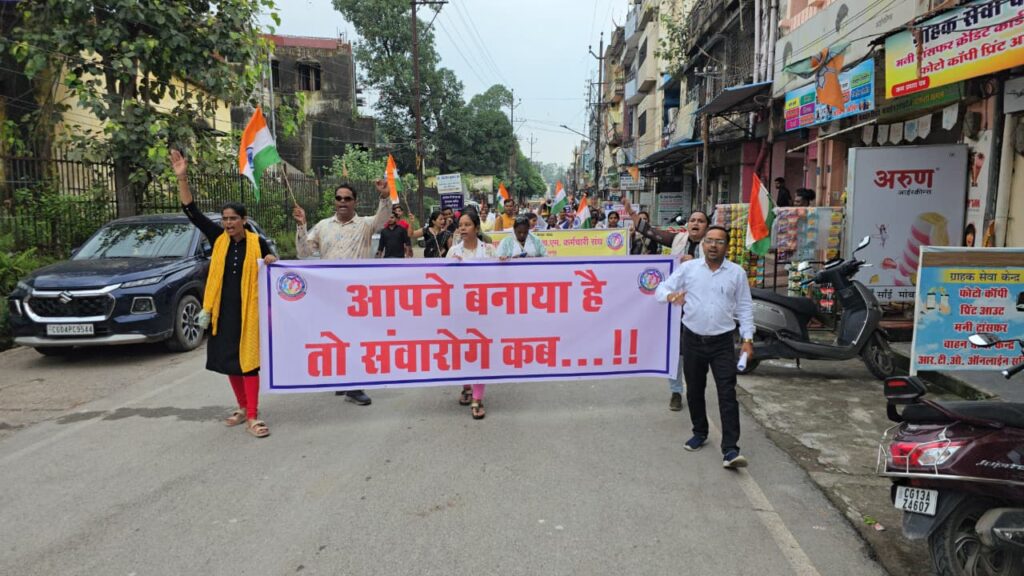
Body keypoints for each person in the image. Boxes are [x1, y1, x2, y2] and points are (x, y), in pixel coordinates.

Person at [170, 149, 277, 439]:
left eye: (233, 219)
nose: (228, 223)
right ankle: (242, 407)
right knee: (230, 361)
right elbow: (192, 212)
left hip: (249, 311)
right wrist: (182, 178)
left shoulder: (257, 242)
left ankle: (253, 415)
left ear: (244, 219)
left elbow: (273, 264)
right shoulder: (218, 239)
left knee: (248, 363)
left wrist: (270, 259)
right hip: (222, 311)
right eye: (225, 219)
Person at [656, 225, 755, 469]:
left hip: (722, 342)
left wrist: (747, 339)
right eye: (709, 240)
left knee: (727, 393)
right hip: (692, 339)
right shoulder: (689, 269)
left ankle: (730, 449)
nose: (713, 245)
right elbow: (661, 288)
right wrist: (671, 296)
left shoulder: (736, 273)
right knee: (695, 390)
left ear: (726, 246)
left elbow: (744, 307)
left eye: (719, 242)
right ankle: (699, 432)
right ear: (703, 244)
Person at [293, 180, 391, 406]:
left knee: (356, 338)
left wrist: (385, 196)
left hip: (357, 295)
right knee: (335, 339)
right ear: (334, 202)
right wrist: (301, 226)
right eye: (339, 198)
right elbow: (303, 253)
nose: (343, 202)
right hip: (330, 295)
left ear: (355, 202)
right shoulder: (323, 226)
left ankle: (354, 387)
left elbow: (384, 218)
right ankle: (342, 378)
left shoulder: (365, 225)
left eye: (347, 198)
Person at [447, 211, 497, 419]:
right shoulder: (453, 251)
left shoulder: (489, 251)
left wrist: (505, 264)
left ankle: (477, 397)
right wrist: (452, 267)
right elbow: (444, 281)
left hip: (483, 311)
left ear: (476, 227)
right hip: (460, 311)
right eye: (460, 225)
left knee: (480, 353)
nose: (463, 228)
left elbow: (499, 279)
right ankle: (466, 386)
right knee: (462, 351)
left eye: (467, 224)